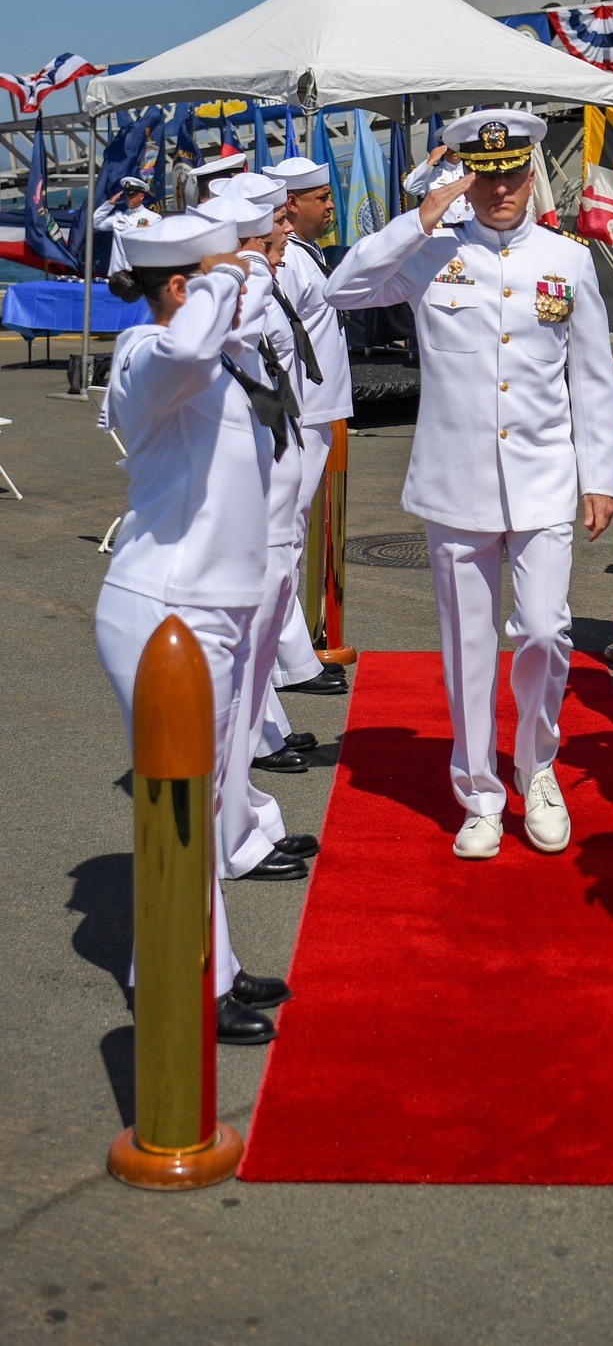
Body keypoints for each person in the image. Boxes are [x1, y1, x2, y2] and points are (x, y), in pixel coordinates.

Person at [324, 109, 613, 859]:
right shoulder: (431, 254)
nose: (501, 190)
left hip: (547, 477)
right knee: (466, 645)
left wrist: (601, 476)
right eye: (485, 177)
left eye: (514, 174)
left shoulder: (567, 259)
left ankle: (540, 764)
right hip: (457, 481)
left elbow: (590, 375)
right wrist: (421, 215)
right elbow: (340, 289)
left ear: (534, 174)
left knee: (548, 630)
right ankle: (481, 793)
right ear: (467, 179)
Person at [95, 214, 292, 1045]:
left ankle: (197, 952)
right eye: (221, 274)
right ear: (183, 285)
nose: (244, 279)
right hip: (165, 610)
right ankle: (183, 983)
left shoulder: (212, 355)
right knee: (179, 800)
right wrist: (220, 276)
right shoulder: (147, 353)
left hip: (209, 606)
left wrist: (236, 277)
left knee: (200, 797)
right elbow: (183, 351)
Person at [193, 190, 317, 884]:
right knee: (232, 696)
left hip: (270, 545)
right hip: (242, 552)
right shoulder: (218, 330)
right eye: (264, 234)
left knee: (246, 690)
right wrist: (245, 267)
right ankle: (232, 833)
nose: (278, 241)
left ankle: (246, 818)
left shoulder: (249, 302)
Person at [261, 156, 354, 700]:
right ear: (291, 204)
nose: (330, 205)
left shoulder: (303, 255)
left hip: (316, 411)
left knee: (288, 538)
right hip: (301, 412)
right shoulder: (288, 261)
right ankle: (287, 660)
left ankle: (287, 658)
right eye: (321, 196)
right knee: (283, 538)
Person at [93, 177, 160, 276]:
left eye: (132, 195)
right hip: (118, 273)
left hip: (141, 273)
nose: (128, 198)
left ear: (141, 196)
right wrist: (109, 204)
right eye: (127, 195)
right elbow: (95, 222)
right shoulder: (118, 217)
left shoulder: (154, 219)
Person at [403, 141, 474, 225]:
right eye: (449, 148)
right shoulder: (431, 173)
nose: (454, 152)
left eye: (457, 147)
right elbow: (410, 187)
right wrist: (430, 161)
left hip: (470, 231)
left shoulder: (473, 171)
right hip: (441, 231)